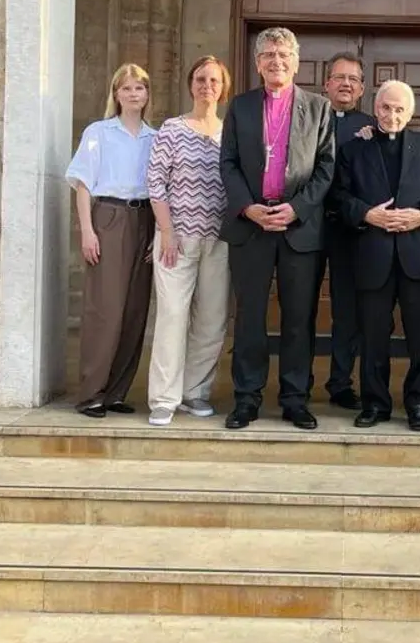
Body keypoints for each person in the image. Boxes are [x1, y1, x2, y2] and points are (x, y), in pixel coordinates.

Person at [219, 27, 335, 431]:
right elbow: (228, 163)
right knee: (249, 316)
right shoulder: (240, 107)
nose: (277, 61)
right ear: (257, 63)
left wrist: (297, 208)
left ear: (296, 62)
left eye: (284, 54)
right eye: (269, 54)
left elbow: (326, 168)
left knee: (299, 318)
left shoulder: (319, 108)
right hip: (251, 225)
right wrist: (248, 207)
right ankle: (247, 398)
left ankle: (295, 398)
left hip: (298, 229)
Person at [333, 80, 420, 431]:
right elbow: (338, 197)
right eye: (386, 108)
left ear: (411, 113)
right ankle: (375, 403)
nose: (392, 115)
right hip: (374, 254)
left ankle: (418, 403)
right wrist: (367, 214)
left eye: (400, 109)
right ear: (376, 108)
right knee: (372, 336)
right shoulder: (354, 150)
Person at [64, 63, 158, 418]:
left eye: (139, 88)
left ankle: (117, 391)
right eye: (126, 88)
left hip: (145, 217)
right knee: (105, 308)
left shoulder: (155, 137)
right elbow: (83, 185)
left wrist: (159, 232)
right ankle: (92, 392)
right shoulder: (98, 133)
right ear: (116, 94)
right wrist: (88, 230)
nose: (133, 94)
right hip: (109, 217)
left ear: (147, 94)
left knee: (135, 309)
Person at [144, 55, 232, 426]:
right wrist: (166, 231)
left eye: (214, 81)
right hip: (176, 239)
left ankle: (195, 391)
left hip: (219, 240)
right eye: (200, 79)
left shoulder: (230, 132)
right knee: (172, 318)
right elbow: (155, 182)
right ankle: (164, 399)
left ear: (223, 89)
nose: (206, 86)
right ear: (190, 85)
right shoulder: (172, 129)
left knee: (212, 320)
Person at [307, 52, 373, 410]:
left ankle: (341, 383)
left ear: (362, 88)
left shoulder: (373, 127)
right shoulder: (306, 118)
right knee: (302, 307)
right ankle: (298, 382)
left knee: (347, 311)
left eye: (353, 79)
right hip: (308, 226)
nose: (346, 84)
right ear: (326, 84)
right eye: (340, 77)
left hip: (351, 230)